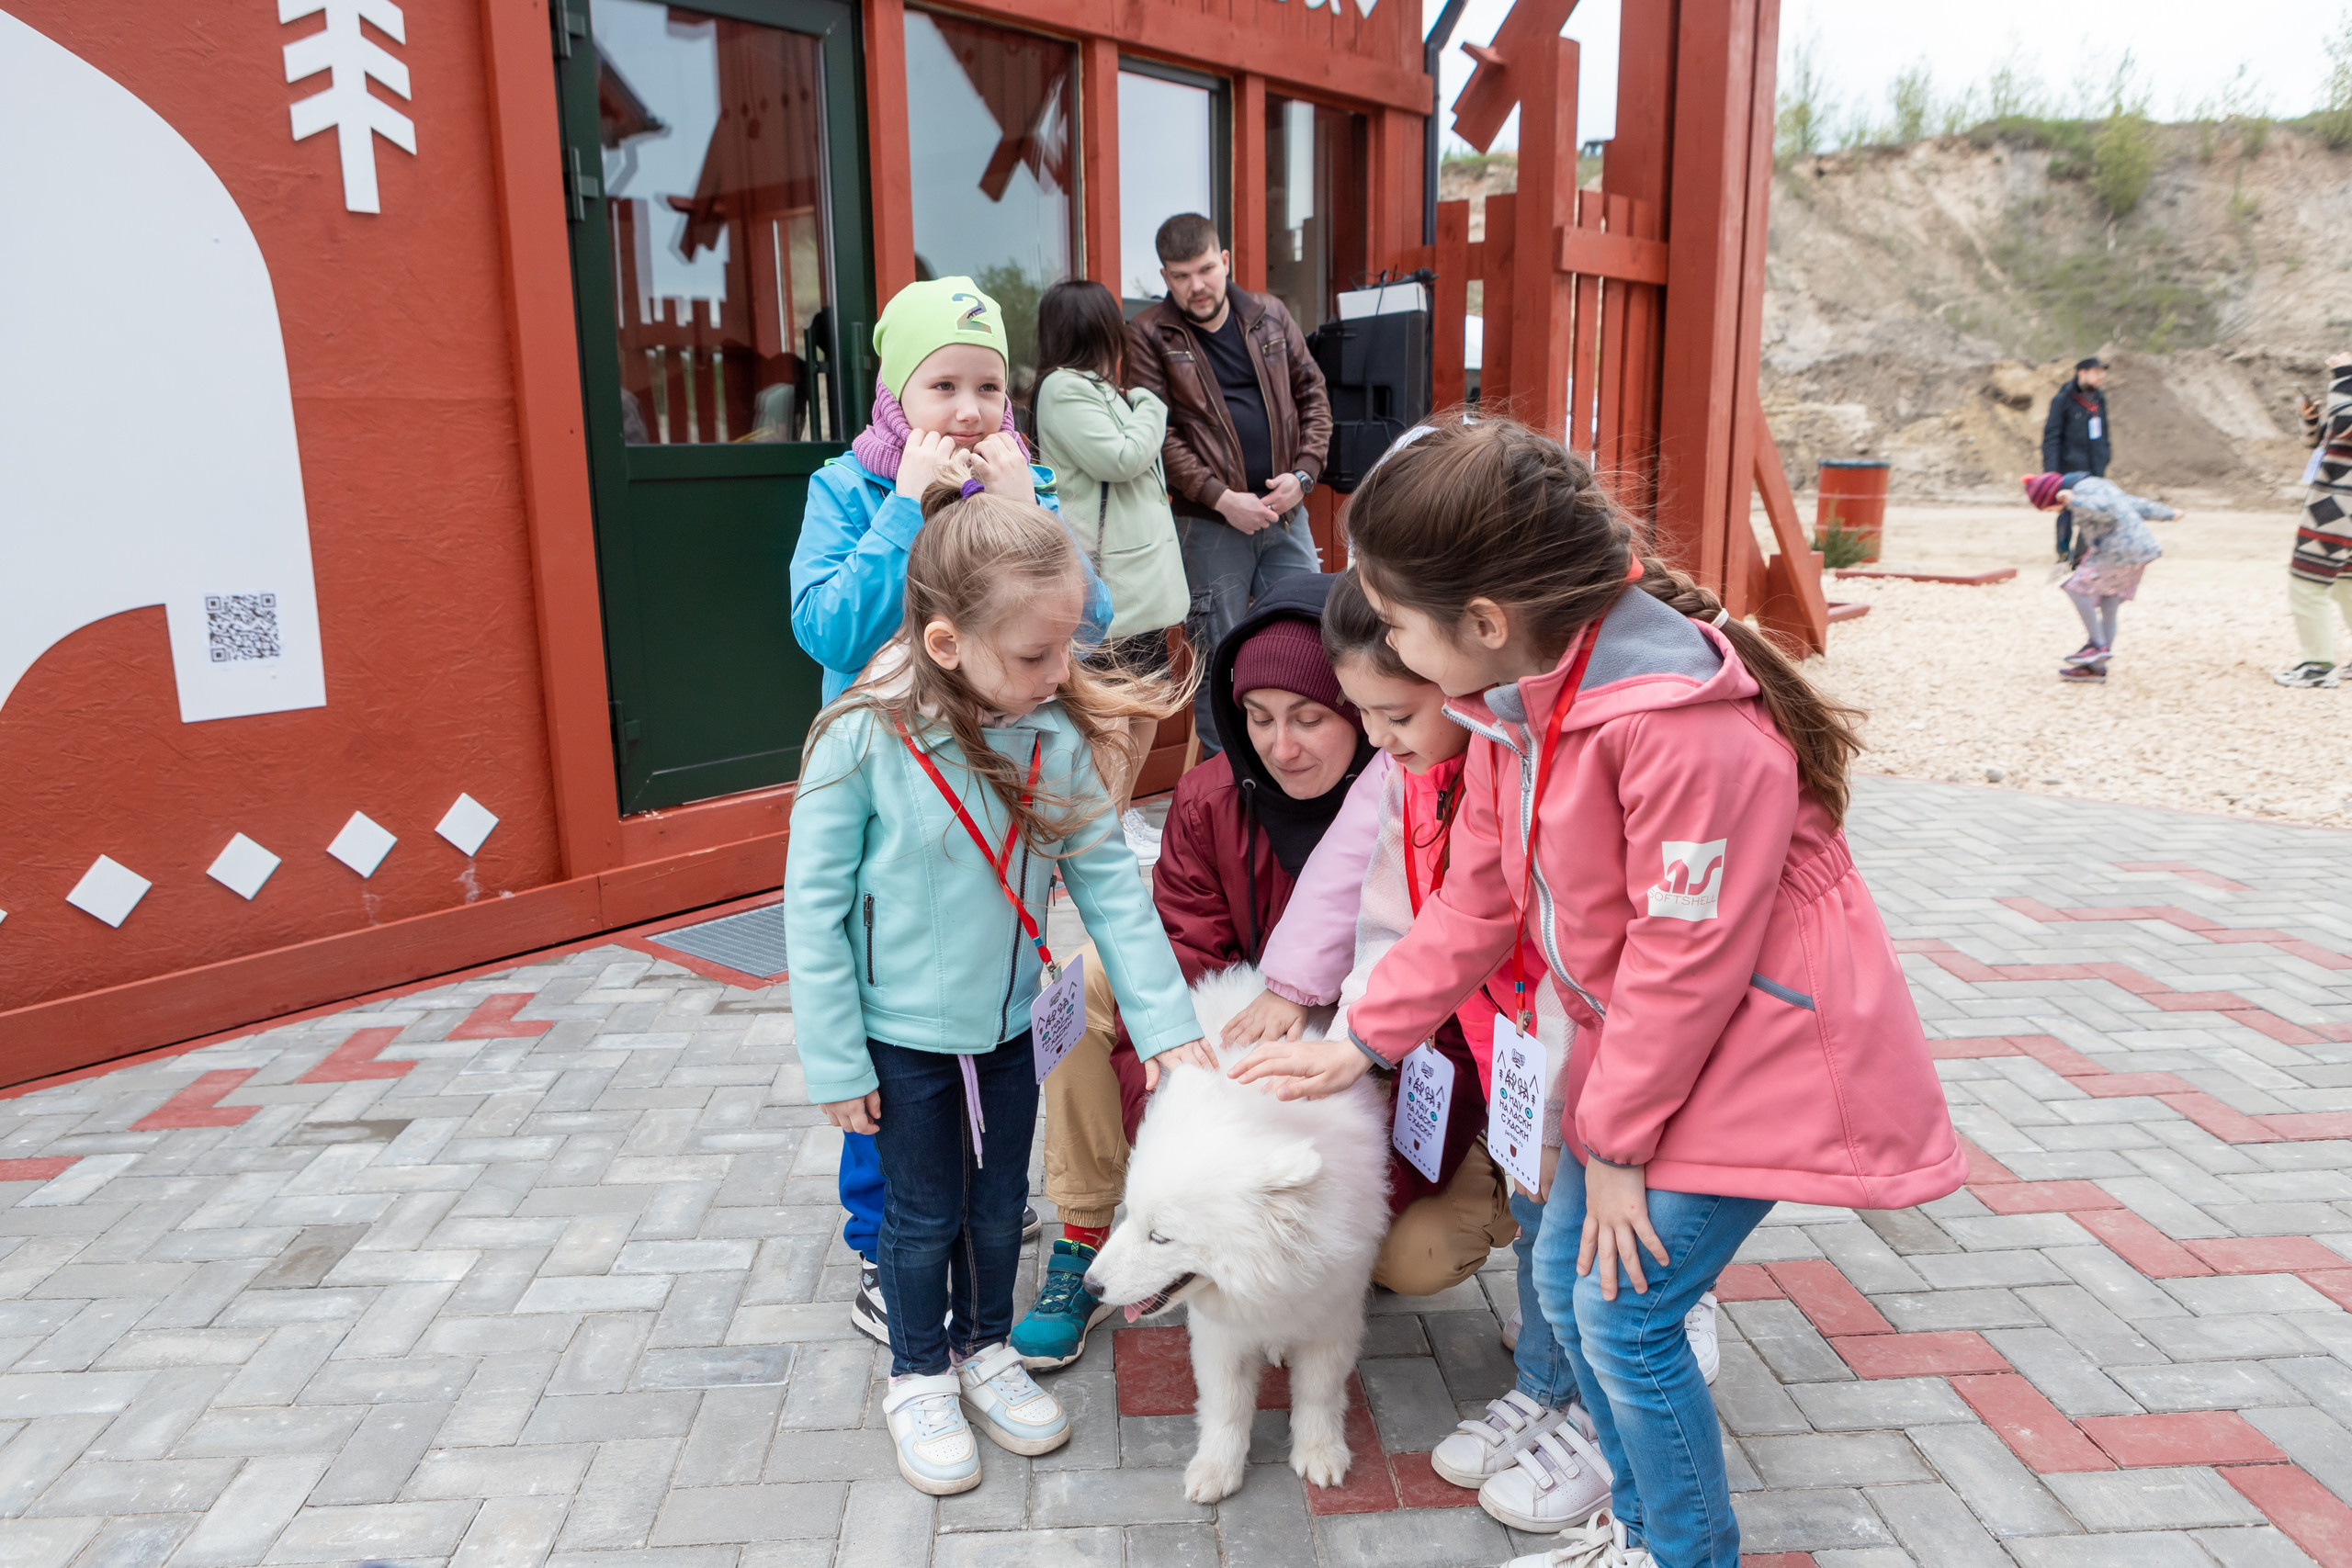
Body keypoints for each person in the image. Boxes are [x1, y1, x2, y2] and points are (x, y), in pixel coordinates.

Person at [1234, 419, 1965, 1568]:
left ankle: (1681, 1550)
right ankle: (1637, 1525)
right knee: (1583, 1303)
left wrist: (1612, 1145)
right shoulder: (1516, 704)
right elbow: (1476, 899)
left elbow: (1688, 967)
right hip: (1647, 1064)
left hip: (1753, 1054)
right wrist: (1361, 1040)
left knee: (1624, 1318)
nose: (1396, 653)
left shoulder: (1678, 731)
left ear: (1481, 624)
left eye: (1402, 624)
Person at [1223, 570, 1716, 1536]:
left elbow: (1658, 956)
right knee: (1546, 1241)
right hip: (1522, 1051)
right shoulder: (1446, 762)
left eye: (1394, 711)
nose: (1377, 739)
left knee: (1610, 1276)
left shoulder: (1580, 745)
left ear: (1472, 654)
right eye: (1362, 713)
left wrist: (1615, 1139)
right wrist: (1357, 1034)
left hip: (1614, 1070)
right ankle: (1547, 1391)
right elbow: (1429, 912)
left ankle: (1608, 1439)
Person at [784, 460, 1210, 1495]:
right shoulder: (861, 739)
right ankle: (918, 1374)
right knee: (920, 1217)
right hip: (903, 1041)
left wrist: (1166, 1029)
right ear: (946, 643)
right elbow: (812, 912)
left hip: (1016, 1027)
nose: (1061, 671)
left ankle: (984, 1350)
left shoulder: (1051, 734)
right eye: (1037, 652)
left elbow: (1110, 887)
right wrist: (838, 1061)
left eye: (1070, 644)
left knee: (993, 1206)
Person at [789, 276, 1113, 1345]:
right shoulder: (846, 487)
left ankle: (981, 1191)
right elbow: (830, 630)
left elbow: (1091, 617)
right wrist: (901, 509)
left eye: (987, 385)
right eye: (943, 385)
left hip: (999, 772)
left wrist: (1030, 507)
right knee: (897, 1024)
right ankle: (886, 1243)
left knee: (993, 997)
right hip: (893, 781)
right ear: (897, 391)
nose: (969, 410)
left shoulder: (1023, 483)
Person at [1010, 573, 1374, 1370]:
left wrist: (1325, 1191)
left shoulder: (1408, 795)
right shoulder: (1208, 797)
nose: (1282, 745)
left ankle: (1301, 1247)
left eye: (1310, 718)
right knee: (1077, 982)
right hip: (1218, 1042)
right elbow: (1178, 975)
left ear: (1360, 709)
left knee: (1420, 1256)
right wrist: (1180, 1159)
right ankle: (1086, 1228)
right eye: (1259, 717)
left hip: (1356, 1056)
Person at [1127, 212, 1333, 755]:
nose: (1194, 286)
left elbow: (1314, 397)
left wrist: (1304, 476)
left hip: (1286, 514)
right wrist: (1222, 498)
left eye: (1203, 270)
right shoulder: (1150, 333)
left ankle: (1304, 768)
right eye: (1179, 276)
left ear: (1225, 261)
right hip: (1208, 525)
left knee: (1311, 637)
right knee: (1217, 657)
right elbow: (1159, 436)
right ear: (1165, 278)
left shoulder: (1270, 315)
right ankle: (1230, 784)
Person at [1032, 277, 1190, 858]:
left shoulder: (1095, 388)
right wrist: (1150, 403)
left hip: (1136, 579)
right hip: (1111, 581)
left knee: (1147, 699)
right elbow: (1121, 457)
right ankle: (1107, 825)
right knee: (1116, 711)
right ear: (1099, 330)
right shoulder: (1063, 390)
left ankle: (1118, 813)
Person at [2021, 470, 2177, 685]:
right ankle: (2095, 669)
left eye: (2051, 508)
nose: (2057, 511)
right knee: (2109, 601)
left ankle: (2097, 646)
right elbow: (2129, 503)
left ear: (2053, 497)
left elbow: (2106, 512)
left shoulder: (2081, 494)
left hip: (2118, 550)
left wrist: (2075, 502)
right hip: (2140, 549)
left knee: (2075, 587)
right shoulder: (2097, 484)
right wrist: (2167, 513)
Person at [2275, 354, 2352, 688]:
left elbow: (2345, 423)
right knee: (2347, 583)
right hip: (2339, 503)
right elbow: (2329, 441)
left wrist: (2343, 374)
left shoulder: (2346, 389)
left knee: (2306, 583)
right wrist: (2310, 422)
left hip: (2338, 506)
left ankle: (2319, 667)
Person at [2041, 355, 2112, 559]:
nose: (2101, 377)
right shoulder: (2063, 399)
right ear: (2082, 373)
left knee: (2090, 512)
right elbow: (2051, 437)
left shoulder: (2099, 399)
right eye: (2096, 372)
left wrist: (2105, 457)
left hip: (2093, 466)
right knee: (2067, 510)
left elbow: (2104, 432)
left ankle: (2081, 555)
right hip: (2068, 467)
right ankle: (2063, 552)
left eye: (2102, 373)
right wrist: (2051, 472)